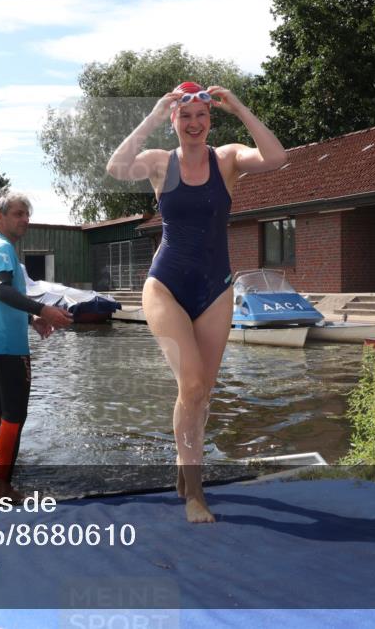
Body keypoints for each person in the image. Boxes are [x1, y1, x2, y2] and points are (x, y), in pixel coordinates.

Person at [106, 82, 287, 523]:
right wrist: (152, 114)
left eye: (201, 117)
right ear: (175, 121)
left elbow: (278, 158)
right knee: (190, 386)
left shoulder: (226, 159)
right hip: (165, 284)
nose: (193, 124)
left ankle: (183, 466)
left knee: (202, 393)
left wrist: (240, 107)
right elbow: (115, 167)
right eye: (184, 117)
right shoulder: (158, 163)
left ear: (210, 120)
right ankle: (195, 494)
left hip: (215, 288)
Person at [0, 191, 73, 501]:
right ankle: (4, 488)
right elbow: (2, 292)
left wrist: (30, 319)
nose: (25, 219)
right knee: (13, 419)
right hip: (9, 349)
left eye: (27, 214)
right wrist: (44, 311)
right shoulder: (2, 249)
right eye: (18, 214)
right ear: (0, 217)